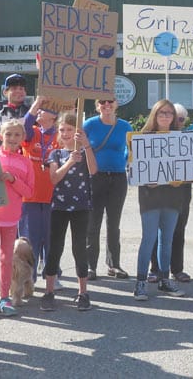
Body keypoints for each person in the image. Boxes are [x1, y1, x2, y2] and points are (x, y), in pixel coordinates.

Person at [149, 92, 193, 283]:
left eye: (182, 118)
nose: (180, 121)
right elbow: (135, 156)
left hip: (180, 191)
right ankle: (156, 269)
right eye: (177, 118)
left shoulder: (186, 136)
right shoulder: (149, 136)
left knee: (178, 230)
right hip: (156, 190)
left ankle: (177, 269)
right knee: (155, 231)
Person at [40, 112, 97, 312]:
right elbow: (54, 178)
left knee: (79, 248)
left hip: (81, 207)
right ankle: (49, 291)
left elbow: (93, 170)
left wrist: (86, 145)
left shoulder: (84, 152)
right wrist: (70, 162)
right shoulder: (55, 154)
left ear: (77, 132)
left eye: (70, 129)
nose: (65, 133)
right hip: (59, 207)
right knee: (55, 248)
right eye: (62, 129)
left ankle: (83, 292)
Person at [0, 120, 35, 320]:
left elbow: (29, 191)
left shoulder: (26, 162)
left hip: (11, 218)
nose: (12, 139)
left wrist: (13, 179)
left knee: (7, 259)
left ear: (23, 138)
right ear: (1, 136)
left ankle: (5, 298)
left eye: (17, 135)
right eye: (8, 134)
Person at [133, 99, 187, 301]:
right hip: (150, 195)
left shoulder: (180, 138)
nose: (165, 116)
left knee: (167, 239)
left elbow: (187, 167)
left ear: (174, 117)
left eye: (169, 113)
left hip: (173, 195)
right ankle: (140, 283)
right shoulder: (143, 138)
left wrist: (180, 179)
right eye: (161, 112)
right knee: (148, 238)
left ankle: (164, 280)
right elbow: (134, 167)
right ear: (154, 115)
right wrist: (148, 181)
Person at [83, 98, 131, 280]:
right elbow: (79, 147)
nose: (106, 105)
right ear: (97, 106)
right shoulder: (89, 124)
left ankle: (114, 265)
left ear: (116, 104)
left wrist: (127, 159)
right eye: (102, 102)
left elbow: (131, 149)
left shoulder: (125, 126)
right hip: (95, 177)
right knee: (93, 223)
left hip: (118, 177)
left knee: (114, 224)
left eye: (110, 101)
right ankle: (90, 266)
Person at [20, 96, 59, 282]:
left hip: (53, 195)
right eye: (39, 109)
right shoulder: (33, 133)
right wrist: (36, 104)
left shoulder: (59, 136)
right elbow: (25, 125)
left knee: (51, 240)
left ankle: (52, 274)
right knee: (30, 241)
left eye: (45, 109)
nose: (40, 111)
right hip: (31, 196)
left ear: (54, 116)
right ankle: (29, 277)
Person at [0, 73, 30, 140]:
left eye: (21, 89)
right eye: (14, 88)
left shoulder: (34, 113)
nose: (18, 91)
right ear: (5, 92)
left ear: (25, 93)